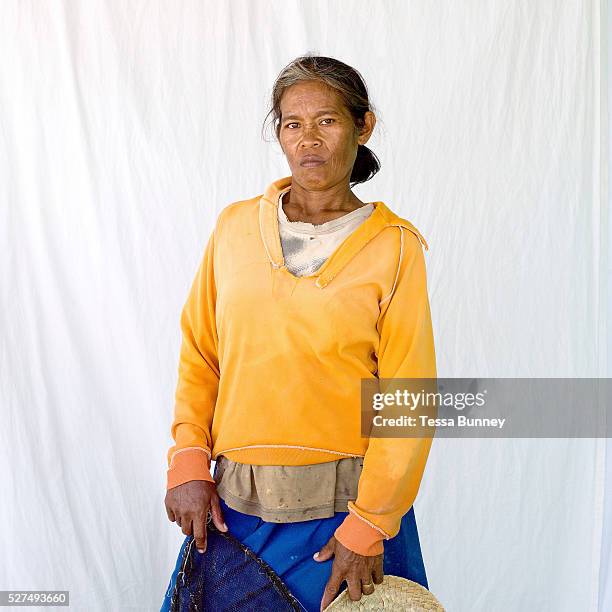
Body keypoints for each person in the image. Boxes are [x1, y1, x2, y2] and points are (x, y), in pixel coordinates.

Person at [161, 54, 437, 612]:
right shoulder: (234, 228)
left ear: (363, 127)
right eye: (292, 123)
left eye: (327, 121)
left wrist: (371, 524)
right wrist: (189, 458)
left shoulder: (395, 247)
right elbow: (201, 353)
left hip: (347, 515)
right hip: (236, 507)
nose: (308, 140)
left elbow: (408, 396)